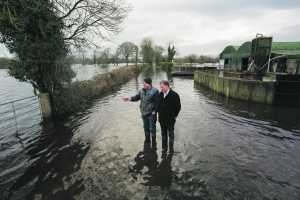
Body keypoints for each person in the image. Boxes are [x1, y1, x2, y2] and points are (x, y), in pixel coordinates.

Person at [122, 78, 159, 147]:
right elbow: (137, 97)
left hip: (151, 114)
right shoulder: (141, 90)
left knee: (152, 128)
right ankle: (147, 141)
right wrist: (128, 98)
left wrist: (154, 111)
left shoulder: (155, 91)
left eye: (144, 83)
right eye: (143, 83)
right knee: (145, 128)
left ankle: (154, 142)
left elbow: (157, 103)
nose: (143, 84)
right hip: (144, 113)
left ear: (149, 84)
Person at [158, 80, 181, 153]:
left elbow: (178, 107)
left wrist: (174, 116)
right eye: (160, 87)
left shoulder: (174, 95)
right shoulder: (160, 94)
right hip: (162, 119)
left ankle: (171, 149)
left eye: (162, 87)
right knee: (163, 134)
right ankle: (164, 148)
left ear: (167, 86)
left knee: (171, 134)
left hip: (170, 120)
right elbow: (158, 105)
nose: (161, 89)